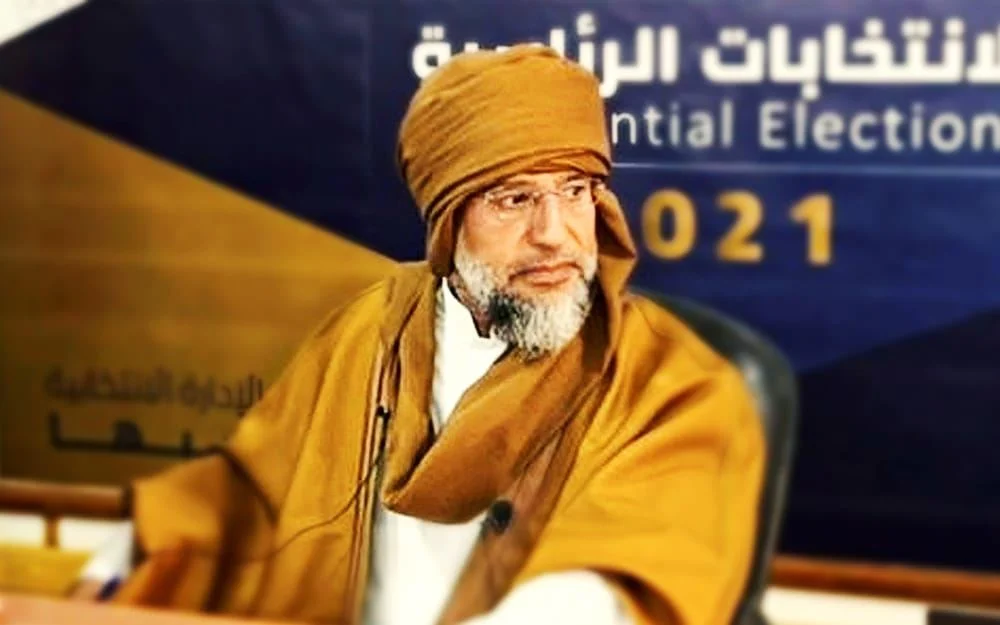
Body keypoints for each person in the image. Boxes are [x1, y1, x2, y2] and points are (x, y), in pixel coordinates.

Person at [72, 45, 765, 625]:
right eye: (515, 198)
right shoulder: (371, 329)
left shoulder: (675, 381)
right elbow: (250, 488)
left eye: (576, 191)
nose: (555, 233)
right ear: (447, 223)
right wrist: (122, 557)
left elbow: (623, 575)